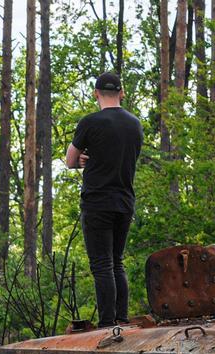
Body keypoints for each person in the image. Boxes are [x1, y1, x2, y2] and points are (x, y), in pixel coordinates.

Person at [65, 72, 143, 328]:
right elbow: (119, 157)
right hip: (124, 201)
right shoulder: (135, 124)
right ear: (121, 93)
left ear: (96, 93)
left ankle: (107, 323)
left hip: (98, 201)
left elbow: (70, 161)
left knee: (101, 264)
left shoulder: (90, 122)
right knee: (116, 261)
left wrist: (82, 161)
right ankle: (121, 317)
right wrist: (91, 158)